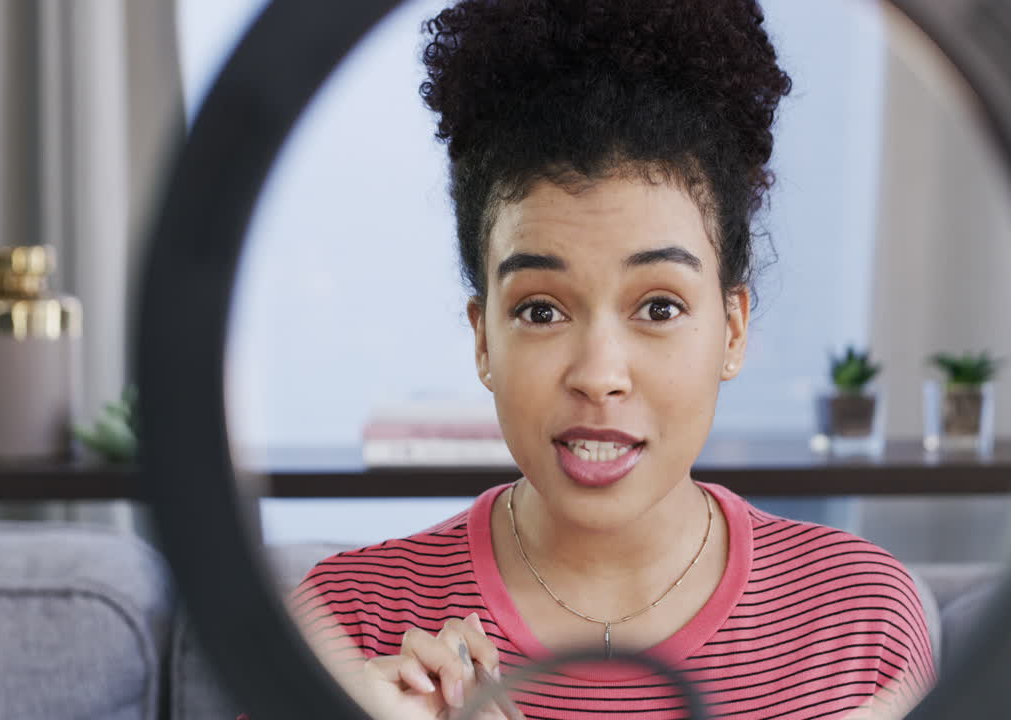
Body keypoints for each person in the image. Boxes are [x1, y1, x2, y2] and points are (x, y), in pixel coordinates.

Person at [291, 1, 935, 717]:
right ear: (484, 339)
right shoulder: (340, 627)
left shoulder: (862, 625)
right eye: (541, 310)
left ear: (732, 331)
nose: (599, 376)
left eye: (658, 307)